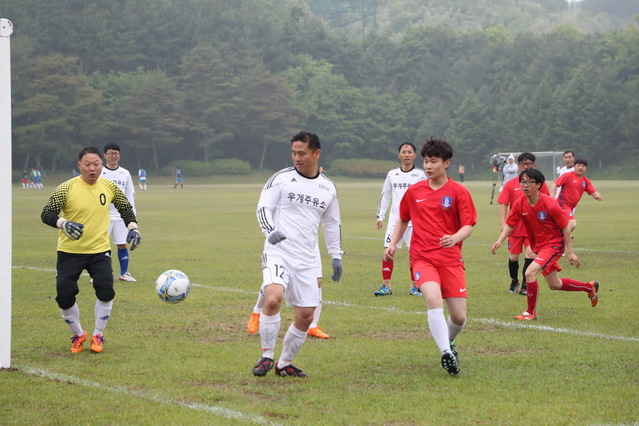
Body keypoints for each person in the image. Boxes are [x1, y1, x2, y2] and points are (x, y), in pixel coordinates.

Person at [252, 131, 343, 378]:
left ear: (317, 153)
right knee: (273, 298)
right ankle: (267, 355)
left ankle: (284, 363)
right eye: (294, 152)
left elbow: (332, 224)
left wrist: (336, 255)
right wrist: (270, 232)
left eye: (302, 153)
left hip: (307, 259)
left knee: (306, 316)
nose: (297, 157)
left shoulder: (328, 187)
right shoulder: (280, 179)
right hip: (278, 252)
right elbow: (263, 208)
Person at [384, 137, 477, 376]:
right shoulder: (415, 192)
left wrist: (455, 237)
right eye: (425, 161)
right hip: (422, 257)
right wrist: (392, 243)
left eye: (433, 161)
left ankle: (450, 342)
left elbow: (468, 225)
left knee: (458, 316)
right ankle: (446, 353)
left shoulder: (459, 192)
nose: (427, 166)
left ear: (446, 163)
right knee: (433, 298)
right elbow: (403, 218)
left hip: (450, 258)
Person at [41, 147, 141, 353]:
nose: (92, 168)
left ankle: (98, 335)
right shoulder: (66, 188)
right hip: (69, 252)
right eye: (88, 164)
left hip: (99, 251)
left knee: (106, 291)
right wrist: (63, 223)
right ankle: (78, 334)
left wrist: (133, 227)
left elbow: (125, 207)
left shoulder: (109, 186)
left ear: (101, 165)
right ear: (80, 166)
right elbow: (47, 213)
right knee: (65, 296)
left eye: (96, 164)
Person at [491, 168, 599, 321]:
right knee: (555, 284)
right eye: (523, 182)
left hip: (554, 245)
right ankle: (589, 287)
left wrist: (570, 252)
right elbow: (510, 223)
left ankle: (530, 312)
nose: (525, 185)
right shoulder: (520, 202)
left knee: (530, 273)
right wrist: (499, 240)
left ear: (539, 185)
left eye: (530, 182)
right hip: (539, 246)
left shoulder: (550, 204)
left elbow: (565, 228)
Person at [374, 142, 427, 296]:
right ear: (399, 155)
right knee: (388, 253)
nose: (406, 155)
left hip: (414, 222)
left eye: (410, 152)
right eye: (404, 152)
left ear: (414, 155)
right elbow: (386, 195)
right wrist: (380, 216)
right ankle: (386, 286)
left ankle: (414, 287)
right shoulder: (392, 174)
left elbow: (427, 196)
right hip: (394, 221)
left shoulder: (420, 175)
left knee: (415, 255)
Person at [247, 246, 330, 339]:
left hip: (306, 254)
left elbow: (315, 243)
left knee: (315, 283)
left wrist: (320, 272)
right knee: (273, 282)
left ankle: (312, 326)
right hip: (281, 252)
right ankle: (257, 312)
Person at [496, 152, 550, 295]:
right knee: (513, 257)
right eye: (522, 164)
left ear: (534, 165)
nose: (525, 166)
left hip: (533, 228)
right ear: (518, 165)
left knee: (530, 254)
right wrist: (503, 223)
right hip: (514, 228)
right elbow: (503, 203)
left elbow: (547, 203)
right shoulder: (511, 184)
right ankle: (514, 280)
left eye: (529, 164)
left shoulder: (539, 183)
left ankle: (525, 286)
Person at [101, 143, 138, 282]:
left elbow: (130, 195)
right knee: (101, 245)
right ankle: (100, 273)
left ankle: (124, 273)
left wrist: (132, 217)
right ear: (105, 155)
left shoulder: (125, 173)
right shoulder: (100, 172)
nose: (113, 156)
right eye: (110, 153)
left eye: (116, 153)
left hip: (121, 216)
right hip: (103, 215)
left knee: (122, 244)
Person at [550, 158, 602, 233]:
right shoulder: (567, 176)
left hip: (571, 207)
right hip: (563, 204)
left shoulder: (585, 181)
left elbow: (594, 192)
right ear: (574, 166)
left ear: (586, 168)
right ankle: (560, 238)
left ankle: (559, 239)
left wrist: (598, 196)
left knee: (562, 225)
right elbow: (555, 184)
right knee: (572, 223)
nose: (581, 168)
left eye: (583, 166)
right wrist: (552, 198)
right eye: (578, 165)